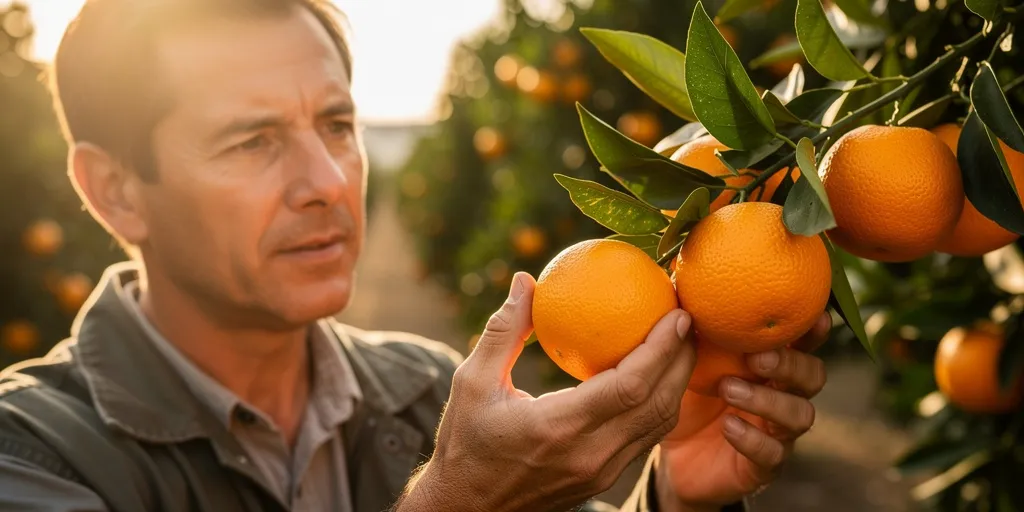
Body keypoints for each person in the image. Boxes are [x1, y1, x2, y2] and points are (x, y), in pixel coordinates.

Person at [0, 1, 830, 510]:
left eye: (336, 126)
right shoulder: (31, 455)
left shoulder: (429, 394)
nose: (330, 182)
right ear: (115, 191)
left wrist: (675, 495)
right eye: (251, 141)